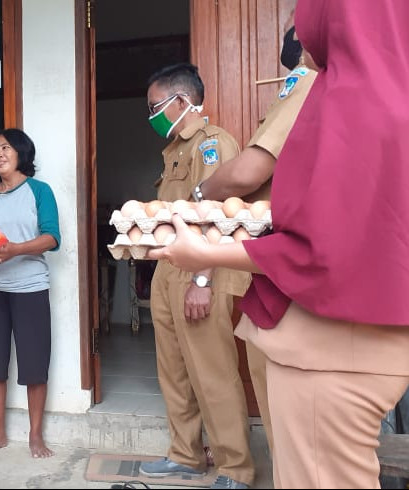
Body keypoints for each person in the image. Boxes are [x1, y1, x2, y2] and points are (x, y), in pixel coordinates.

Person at [147, 1, 409, 487]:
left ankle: (234, 466)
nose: (296, 28)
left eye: (298, 18)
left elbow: (312, 235)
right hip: (341, 309)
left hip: (323, 325)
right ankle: (188, 453)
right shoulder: (377, 92)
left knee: (304, 456)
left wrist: (204, 265)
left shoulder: (326, 91)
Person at [192, 26, 318, 456]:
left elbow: (248, 173)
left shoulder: (307, 78)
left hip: (288, 271)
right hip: (292, 267)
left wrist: (201, 193)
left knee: (290, 421)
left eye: (294, 30)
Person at [137, 63, 255, 489]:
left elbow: (217, 215)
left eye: (156, 107)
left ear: (182, 101)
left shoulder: (213, 144)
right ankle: (185, 455)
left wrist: (202, 281)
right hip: (169, 270)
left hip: (204, 270)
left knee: (212, 372)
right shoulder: (174, 150)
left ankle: (235, 468)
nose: (152, 116)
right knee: (174, 371)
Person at [0, 128, 60, 459]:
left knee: (34, 363)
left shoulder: (39, 191)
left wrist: (16, 249)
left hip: (30, 287)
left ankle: (36, 435)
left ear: (22, 152)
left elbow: (52, 237)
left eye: (5, 148)